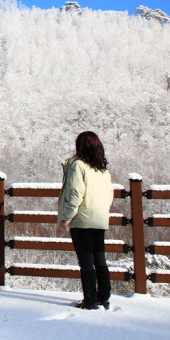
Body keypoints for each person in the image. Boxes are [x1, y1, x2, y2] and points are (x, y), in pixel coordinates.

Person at [58, 131, 114, 310]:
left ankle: (90, 300)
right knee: (100, 260)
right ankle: (103, 298)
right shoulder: (102, 169)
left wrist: (67, 217)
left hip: (82, 219)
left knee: (86, 263)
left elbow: (75, 193)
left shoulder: (78, 166)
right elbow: (109, 194)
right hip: (100, 218)